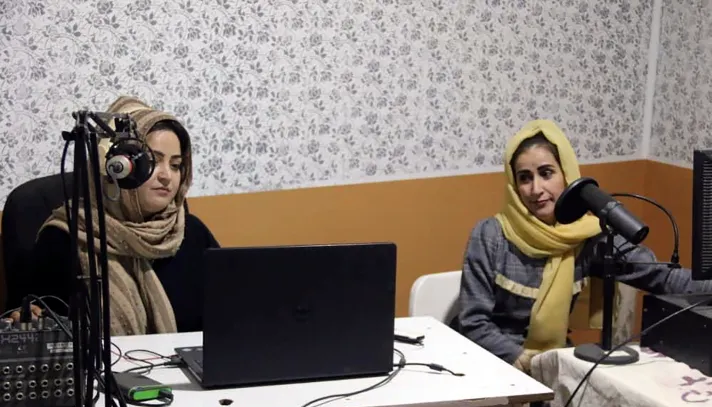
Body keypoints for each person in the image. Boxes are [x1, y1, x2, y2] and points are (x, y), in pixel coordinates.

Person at [457, 119, 712, 374]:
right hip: (495, 363)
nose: (535, 189)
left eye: (546, 173)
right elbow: (473, 322)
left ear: (567, 175)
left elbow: (662, 276)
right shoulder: (491, 235)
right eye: (524, 178)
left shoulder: (588, 235)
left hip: (553, 359)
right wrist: (523, 361)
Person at [14, 96, 219, 335]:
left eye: (175, 165)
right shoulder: (66, 238)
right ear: (112, 165)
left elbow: (231, 306)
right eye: (153, 161)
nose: (167, 176)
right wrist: (27, 319)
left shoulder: (190, 232)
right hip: (104, 362)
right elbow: (29, 321)